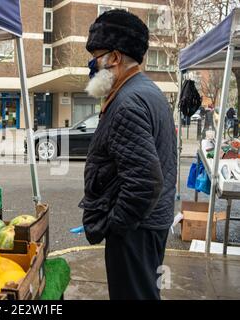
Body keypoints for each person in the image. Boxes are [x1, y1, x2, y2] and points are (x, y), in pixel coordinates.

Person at [79, 9, 177, 300]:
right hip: (149, 223)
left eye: (96, 57)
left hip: (136, 230)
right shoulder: (147, 90)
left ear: (115, 58)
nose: (92, 66)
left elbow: (145, 182)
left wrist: (115, 225)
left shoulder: (128, 101)